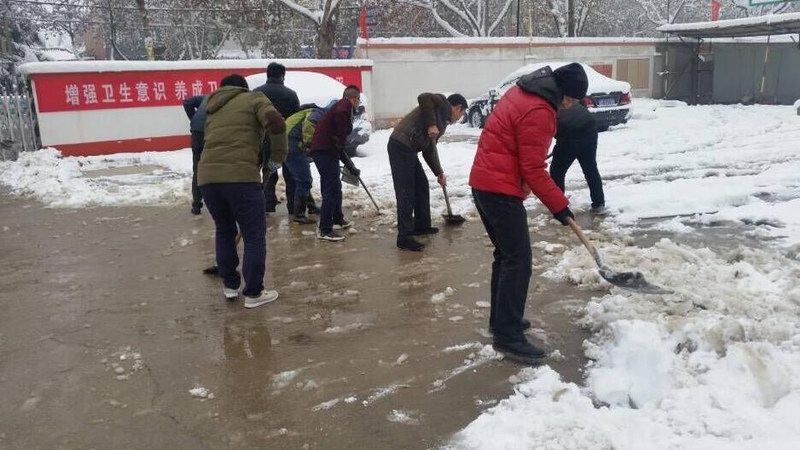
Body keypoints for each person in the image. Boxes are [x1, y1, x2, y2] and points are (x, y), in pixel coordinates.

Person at [469, 63, 587, 363]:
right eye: (572, 100)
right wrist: (560, 206)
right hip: (500, 191)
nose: (570, 106)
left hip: (484, 183)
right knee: (518, 261)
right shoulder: (540, 111)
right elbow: (533, 168)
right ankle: (508, 336)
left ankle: (502, 321)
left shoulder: (521, 92)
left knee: (506, 257)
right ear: (563, 93)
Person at [197, 74, 288, 309]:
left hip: (207, 178)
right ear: (243, 88)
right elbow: (276, 123)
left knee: (224, 229)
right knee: (253, 233)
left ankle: (230, 286)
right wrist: (276, 159)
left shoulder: (212, 107)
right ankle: (254, 293)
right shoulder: (254, 99)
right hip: (240, 177)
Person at [388, 93, 468, 251]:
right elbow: (424, 97)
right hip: (400, 145)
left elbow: (429, 150)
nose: (459, 118)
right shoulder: (441, 103)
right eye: (461, 114)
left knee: (422, 186)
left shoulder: (442, 123)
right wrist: (431, 124)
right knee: (406, 192)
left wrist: (438, 172)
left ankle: (421, 226)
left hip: (410, 149)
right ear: (458, 108)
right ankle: (404, 237)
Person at [308, 86, 361, 242]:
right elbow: (338, 141)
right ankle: (324, 229)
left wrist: (350, 166)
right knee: (331, 189)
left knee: (335, 186)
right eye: (358, 100)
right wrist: (339, 138)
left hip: (325, 151)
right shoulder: (344, 106)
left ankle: (337, 220)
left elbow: (339, 147)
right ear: (355, 98)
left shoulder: (340, 107)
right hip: (324, 152)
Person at [254, 62, 301, 213]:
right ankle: (293, 206)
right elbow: (296, 117)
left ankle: (267, 203)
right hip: (286, 138)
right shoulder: (290, 94)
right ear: (282, 76)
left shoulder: (257, 93)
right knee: (290, 173)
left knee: (268, 171)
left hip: (264, 138)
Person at [549, 103, 606, 213]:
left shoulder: (544, 109)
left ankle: (560, 207)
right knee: (590, 169)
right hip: (589, 128)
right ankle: (599, 203)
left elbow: (543, 135)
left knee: (557, 171)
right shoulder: (562, 99)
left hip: (570, 133)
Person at [183, 94, 208, 215]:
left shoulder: (206, 97)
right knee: (221, 166)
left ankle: (196, 205)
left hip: (197, 133)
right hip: (211, 134)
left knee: (198, 169)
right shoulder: (231, 101)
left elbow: (187, 102)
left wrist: (193, 119)